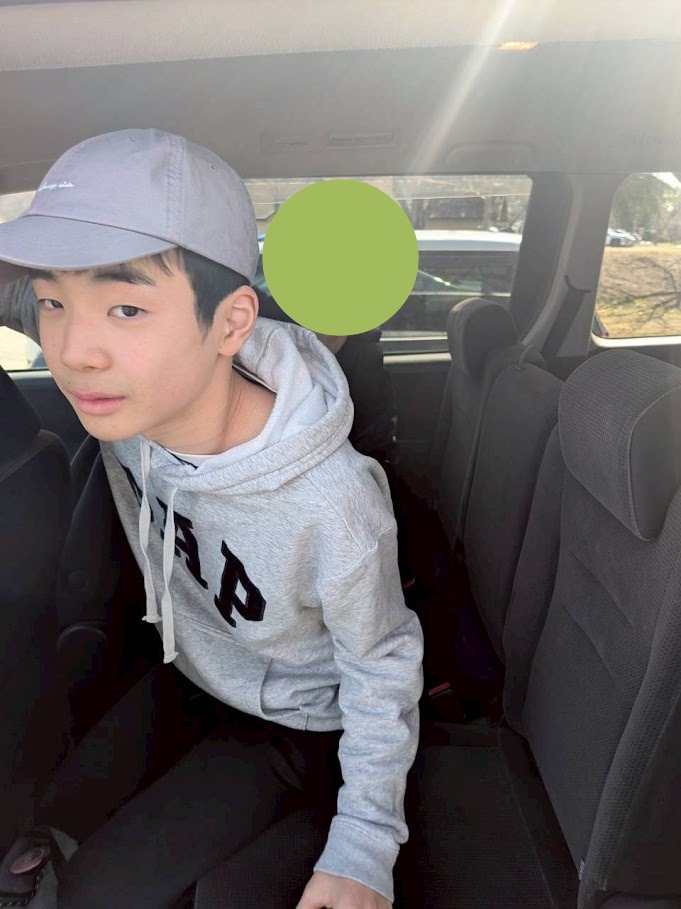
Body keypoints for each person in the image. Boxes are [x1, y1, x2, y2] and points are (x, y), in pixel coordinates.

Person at [0, 129, 423, 909]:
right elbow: (21, 298)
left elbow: (383, 664)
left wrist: (366, 841)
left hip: (296, 721)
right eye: (56, 303)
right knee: (41, 820)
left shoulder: (332, 501)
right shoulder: (132, 401)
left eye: (126, 307)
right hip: (189, 673)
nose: (75, 350)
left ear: (230, 325)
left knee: (98, 891)